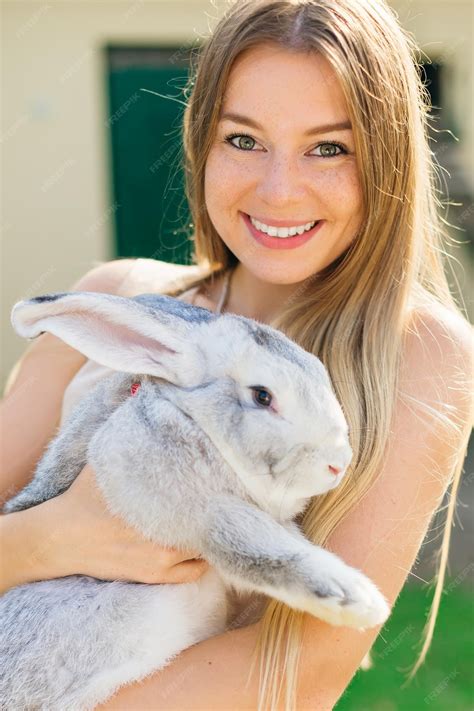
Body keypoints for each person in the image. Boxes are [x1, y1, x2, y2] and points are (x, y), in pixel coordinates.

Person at [1, 0, 472, 708]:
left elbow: (298, 674)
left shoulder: (419, 355)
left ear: (385, 159)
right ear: (201, 143)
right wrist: (52, 540)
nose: (279, 190)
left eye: (328, 147)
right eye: (244, 139)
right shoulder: (120, 295)